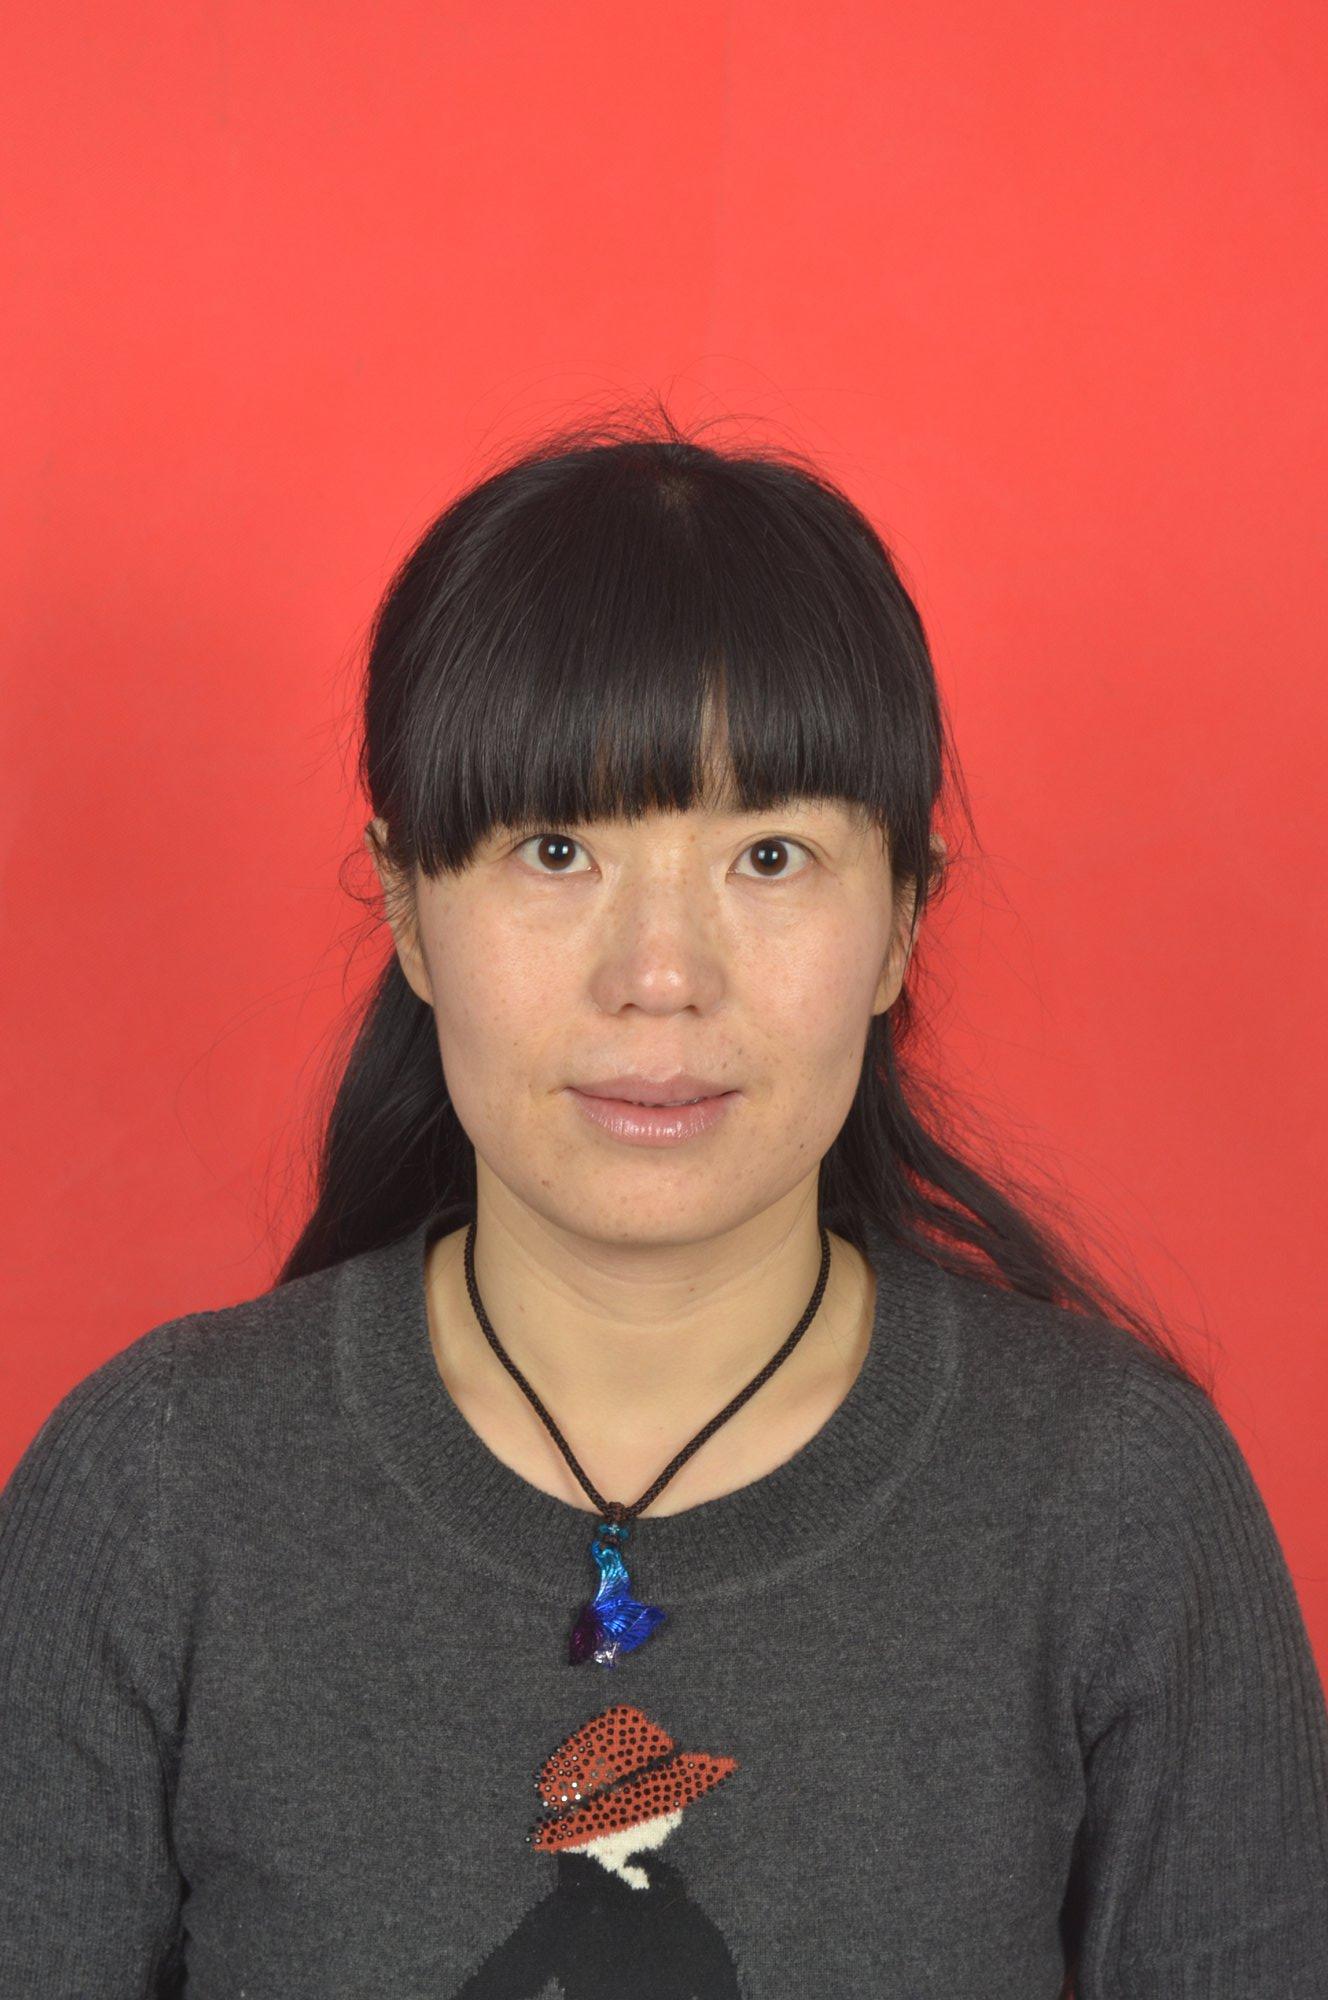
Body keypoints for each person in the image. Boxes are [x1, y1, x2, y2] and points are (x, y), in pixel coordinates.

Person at [2, 404, 1326, 1997]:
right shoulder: (154, 1493)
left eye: (770, 858)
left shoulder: (1117, 1502)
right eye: (558, 850)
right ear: (408, 904)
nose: (660, 977)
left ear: (906, 921)